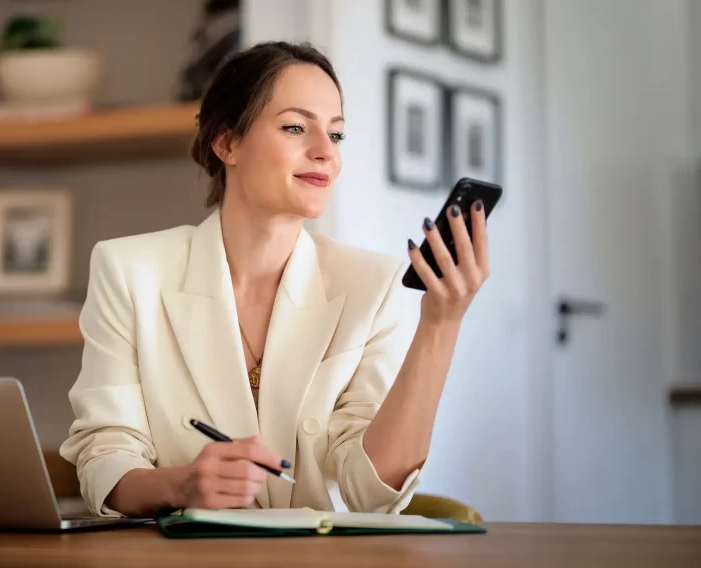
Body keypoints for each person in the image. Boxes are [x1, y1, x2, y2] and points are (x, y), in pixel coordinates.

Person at [59, 42, 491, 518]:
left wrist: (441, 325)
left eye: (337, 134)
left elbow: (372, 492)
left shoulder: (371, 285)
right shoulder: (129, 271)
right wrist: (183, 484)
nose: (326, 153)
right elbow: (105, 461)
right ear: (227, 143)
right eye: (294, 127)